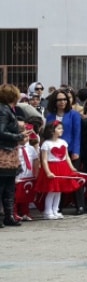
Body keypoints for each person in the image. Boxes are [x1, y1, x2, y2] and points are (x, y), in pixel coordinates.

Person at [35, 120, 87, 219]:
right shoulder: (46, 144)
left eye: (62, 128)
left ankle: (55, 210)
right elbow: (44, 160)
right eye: (59, 128)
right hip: (52, 168)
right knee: (51, 191)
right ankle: (48, 211)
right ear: (52, 131)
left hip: (62, 167)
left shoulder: (63, 142)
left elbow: (67, 157)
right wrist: (48, 172)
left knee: (59, 191)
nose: (62, 130)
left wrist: (72, 168)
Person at [0, 84, 26, 227]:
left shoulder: (7, 109)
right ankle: (5, 216)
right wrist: (18, 136)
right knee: (3, 186)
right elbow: (0, 131)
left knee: (9, 186)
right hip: (3, 153)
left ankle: (9, 216)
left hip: (9, 152)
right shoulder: (3, 111)